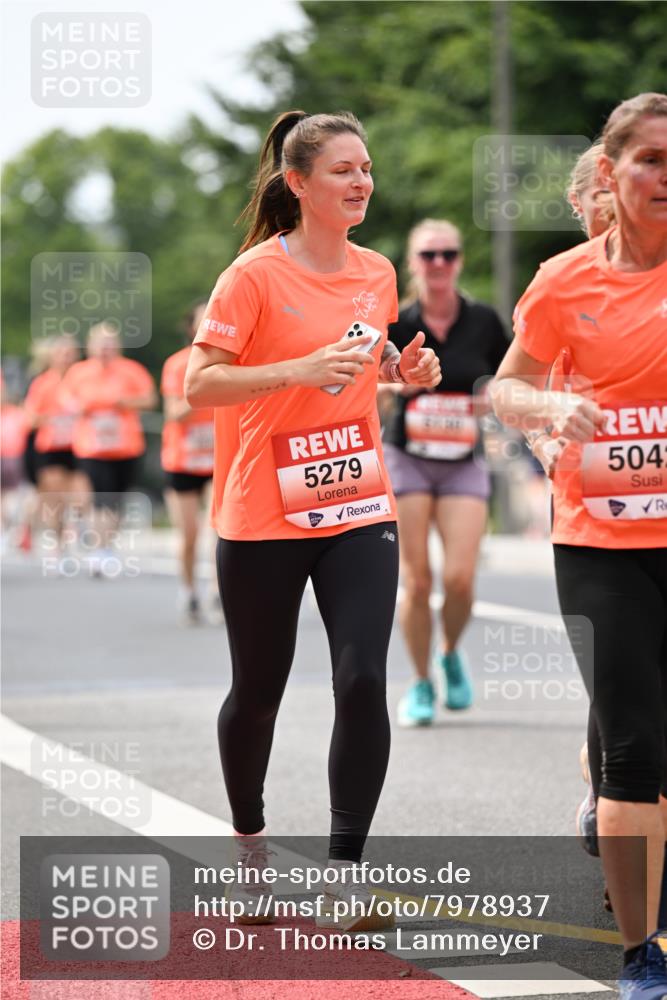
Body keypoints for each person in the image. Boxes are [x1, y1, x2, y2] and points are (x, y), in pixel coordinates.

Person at [185, 110, 441, 929]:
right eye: (341, 170)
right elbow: (200, 385)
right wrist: (295, 366)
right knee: (257, 692)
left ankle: (344, 874)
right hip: (262, 509)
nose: (360, 182)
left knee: (364, 675)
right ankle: (250, 852)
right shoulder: (252, 276)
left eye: (365, 167)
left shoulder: (375, 272)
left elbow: (362, 363)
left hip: (353, 499)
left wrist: (404, 372)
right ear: (298, 184)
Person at [492, 93, 667, 999]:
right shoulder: (563, 282)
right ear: (609, 172)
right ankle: (641, 951)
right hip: (601, 540)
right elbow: (504, 387)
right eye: (649, 159)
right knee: (632, 748)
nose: (664, 175)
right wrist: (547, 408)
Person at [379, 219, 508, 727]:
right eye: (428, 255)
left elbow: (509, 376)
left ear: (459, 261)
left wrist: (492, 399)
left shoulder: (484, 322)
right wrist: (396, 389)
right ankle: (420, 682)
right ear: (412, 262)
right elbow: (362, 388)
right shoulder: (396, 321)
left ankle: (450, 651)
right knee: (416, 580)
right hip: (407, 456)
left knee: (458, 578)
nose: (438, 264)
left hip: (461, 462)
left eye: (448, 254)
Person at [59, 323, 157, 577]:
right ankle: (99, 550)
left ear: (118, 346)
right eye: (100, 344)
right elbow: (66, 401)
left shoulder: (132, 371)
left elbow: (150, 399)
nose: (105, 349)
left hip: (126, 447)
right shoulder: (78, 372)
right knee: (100, 498)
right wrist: (82, 406)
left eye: (110, 343)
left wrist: (123, 403)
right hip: (92, 447)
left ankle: (106, 546)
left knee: (116, 500)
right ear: (90, 347)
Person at [161, 300, 221, 625]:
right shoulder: (176, 365)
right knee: (189, 534)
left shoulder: (228, 360)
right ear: (191, 329)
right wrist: (204, 389)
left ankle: (215, 591)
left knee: (217, 529)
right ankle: (188, 591)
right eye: (202, 321)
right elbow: (173, 413)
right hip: (182, 460)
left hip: (218, 458)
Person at [24, 335, 89, 559]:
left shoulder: (83, 380)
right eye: (62, 353)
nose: (66, 357)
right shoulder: (42, 383)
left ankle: (78, 526)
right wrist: (53, 417)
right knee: (56, 498)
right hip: (51, 447)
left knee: (82, 494)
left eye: (71, 353)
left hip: (80, 445)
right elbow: (31, 418)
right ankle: (58, 541)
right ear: (52, 356)